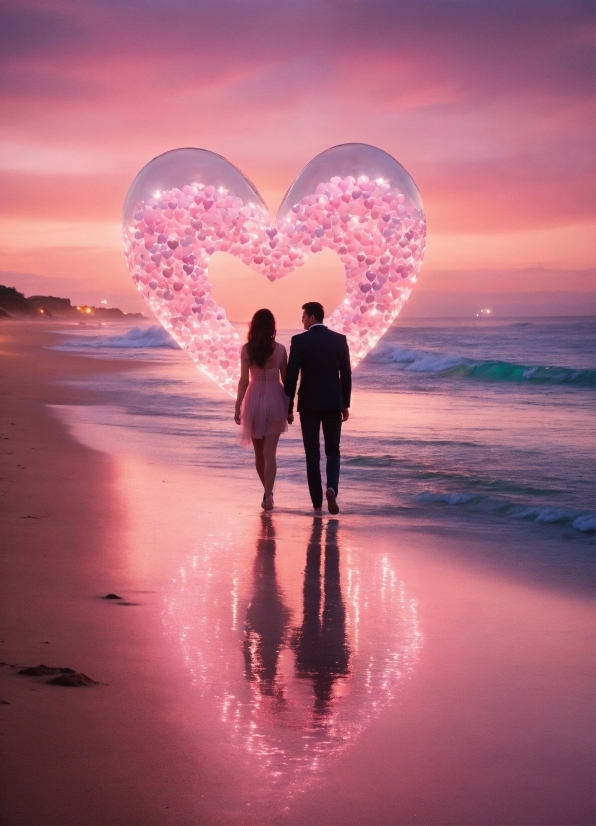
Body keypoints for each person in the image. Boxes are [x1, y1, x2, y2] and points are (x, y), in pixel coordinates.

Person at [284, 302, 351, 515]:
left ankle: (317, 505)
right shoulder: (339, 341)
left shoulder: (300, 341)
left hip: (309, 404)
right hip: (333, 403)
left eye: (303, 316)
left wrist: (289, 406)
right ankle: (331, 488)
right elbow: (346, 375)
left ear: (312, 317)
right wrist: (346, 404)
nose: (302, 320)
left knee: (312, 453)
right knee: (333, 450)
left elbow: (291, 377)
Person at [235, 309, 289, 511]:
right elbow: (287, 381)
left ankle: (268, 494)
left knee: (259, 453)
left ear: (253, 326)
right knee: (270, 453)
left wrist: (237, 404)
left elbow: (243, 380)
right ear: (272, 327)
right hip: (275, 398)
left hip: (254, 398)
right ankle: (268, 494)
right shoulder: (281, 349)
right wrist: (290, 407)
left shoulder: (247, 350)